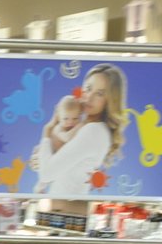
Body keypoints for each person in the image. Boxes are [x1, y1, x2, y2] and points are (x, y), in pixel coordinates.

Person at [33, 64, 128, 195]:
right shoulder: (86, 127)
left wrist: (47, 130)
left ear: (110, 101)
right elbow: (51, 165)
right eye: (88, 88)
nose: (89, 97)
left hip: (66, 209)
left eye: (99, 94)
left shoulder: (93, 131)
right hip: (61, 205)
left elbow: (46, 174)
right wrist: (42, 157)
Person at [29, 93, 85, 193]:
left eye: (75, 118)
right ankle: (39, 189)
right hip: (49, 156)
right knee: (43, 180)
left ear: (80, 115)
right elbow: (67, 137)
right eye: (66, 118)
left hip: (58, 163)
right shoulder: (58, 128)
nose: (70, 122)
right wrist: (81, 124)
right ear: (58, 116)